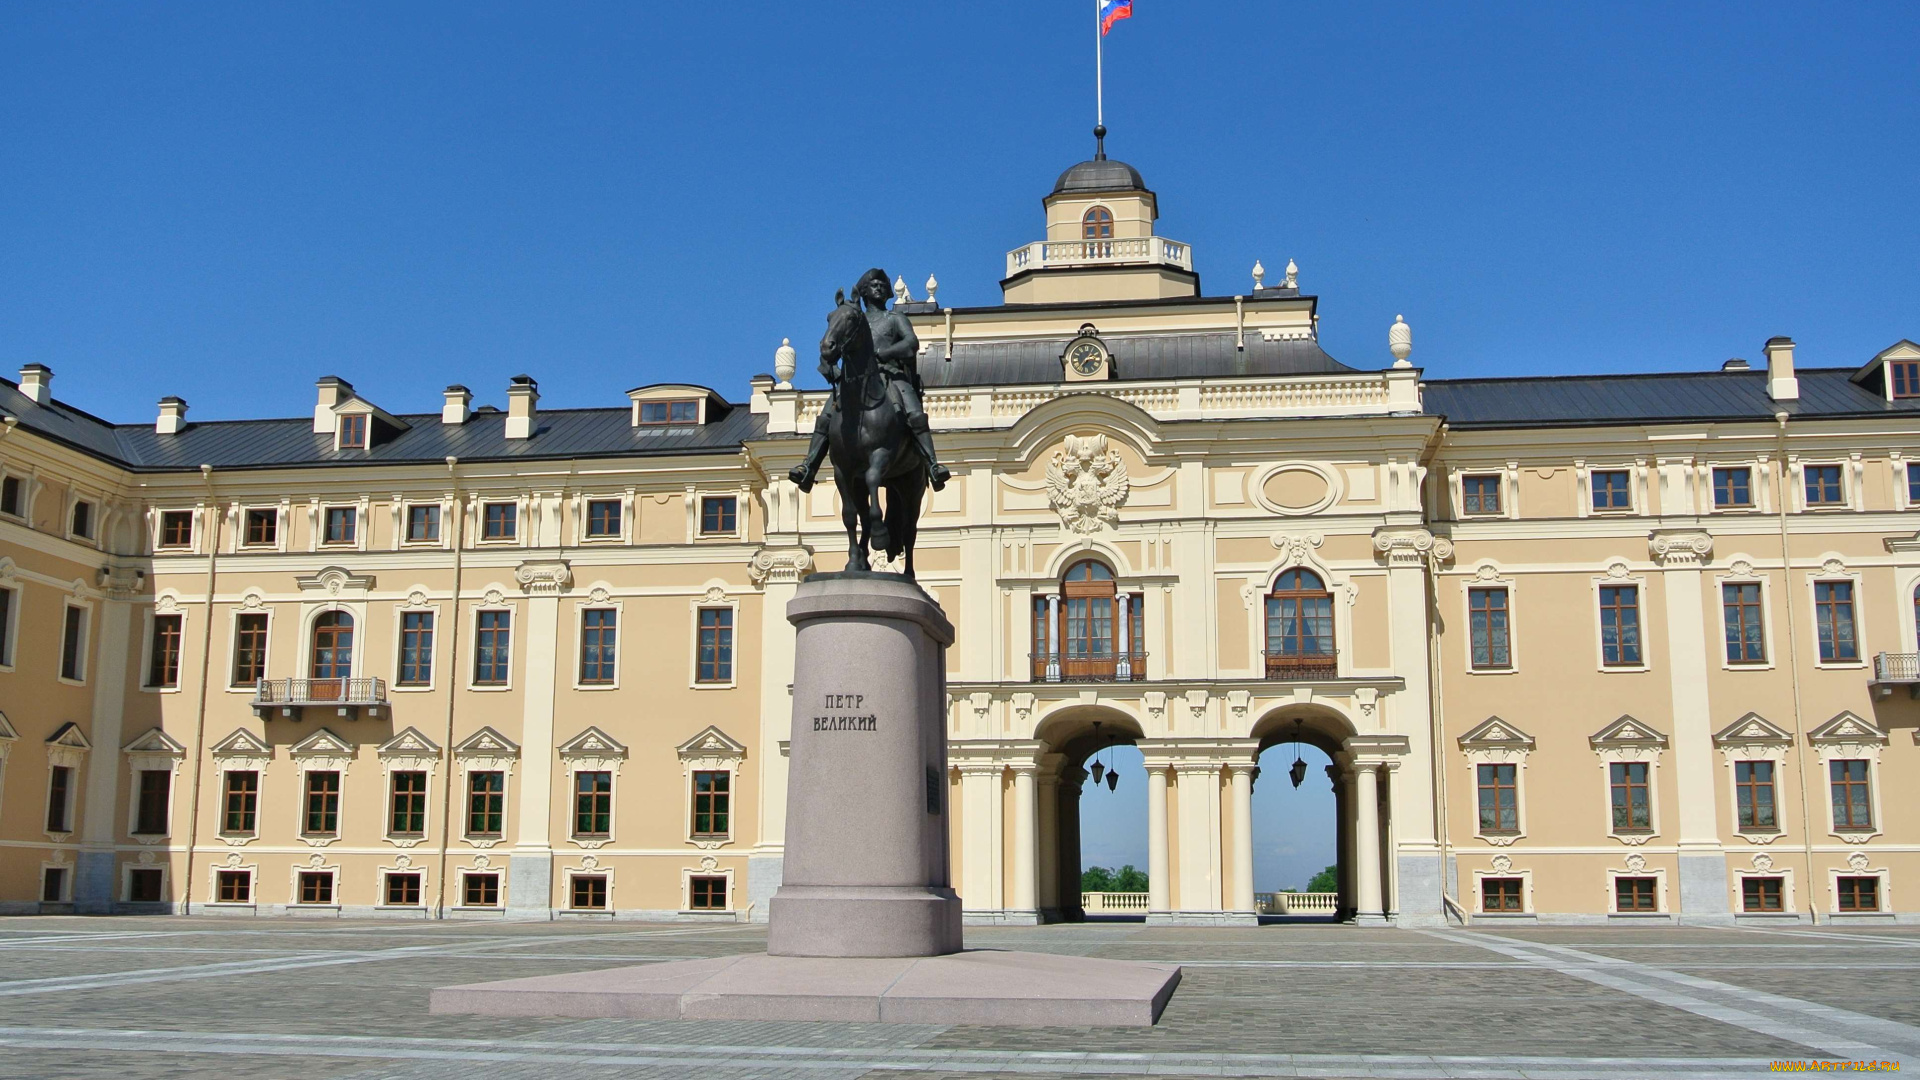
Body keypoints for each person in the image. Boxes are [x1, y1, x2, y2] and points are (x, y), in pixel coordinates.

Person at [789, 268, 950, 492]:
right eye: (874, 285)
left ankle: (932, 466)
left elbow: (911, 343)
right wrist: (831, 368)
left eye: (883, 285)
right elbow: (830, 345)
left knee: (914, 412)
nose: (879, 288)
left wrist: (885, 353)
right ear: (864, 292)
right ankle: (809, 466)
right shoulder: (852, 318)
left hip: (891, 375)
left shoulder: (895, 318)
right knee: (826, 416)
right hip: (854, 380)